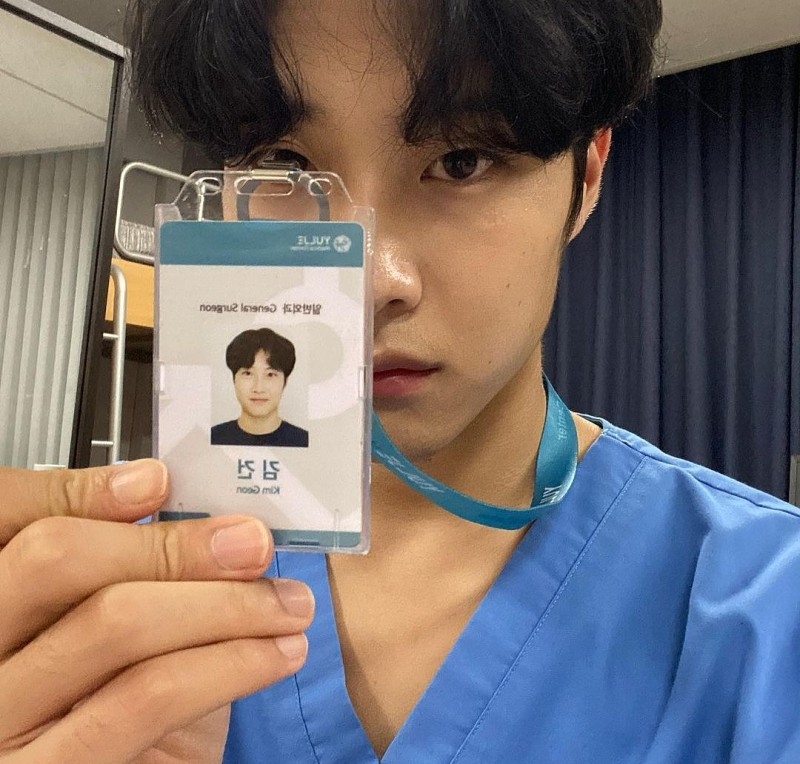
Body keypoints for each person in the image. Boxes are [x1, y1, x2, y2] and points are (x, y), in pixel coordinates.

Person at [1, 1, 798, 762]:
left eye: (463, 160)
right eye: (285, 164)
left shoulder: (770, 617)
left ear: (586, 176)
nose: (371, 278)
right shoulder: (98, 603)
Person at [211, 328, 309, 448]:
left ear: (285, 381)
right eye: (248, 373)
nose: (258, 388)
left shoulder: (303, 441)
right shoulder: (213, 438)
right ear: (234, 379)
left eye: (270, 374)